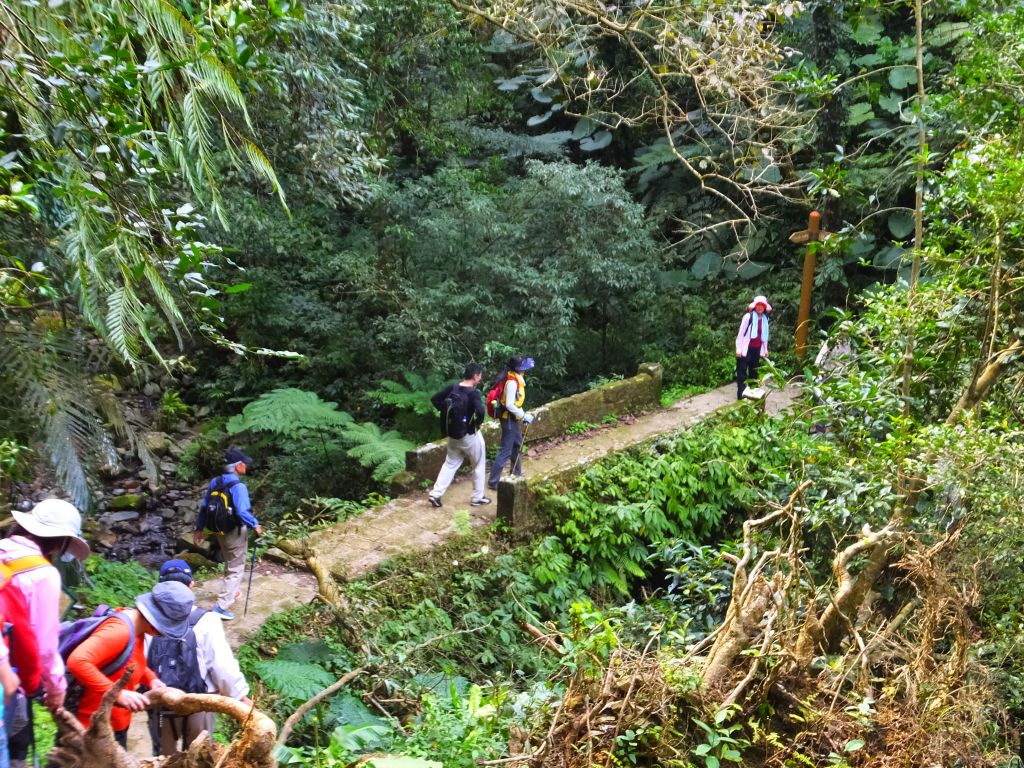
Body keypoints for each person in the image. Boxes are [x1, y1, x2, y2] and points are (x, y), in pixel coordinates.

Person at [0, 499, 90, 768]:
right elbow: (44, 646)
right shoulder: (44, 574)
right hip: (10, 676)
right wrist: (55, 688)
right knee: (13, 748)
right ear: (59, 541)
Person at [65, 581, 194, 748]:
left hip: (114, 724)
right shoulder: (120, 631)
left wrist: (151, 679)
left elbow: (128, 662)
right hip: (90, 730)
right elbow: (78, 661)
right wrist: (117, 694)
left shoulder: (137, 628)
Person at [147, 560, 252, 756]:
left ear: (160, 585)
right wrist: (239, 696)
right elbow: (222, 665)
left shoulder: (148, 619)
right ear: (191, 585)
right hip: (199, 703)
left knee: (162, 759)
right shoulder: (207, 620)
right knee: (199, 758)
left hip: (160, 702)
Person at [193, 448, 261, 620]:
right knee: (236, 568)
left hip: (219, 530)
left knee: (231, 562)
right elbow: (242, 511)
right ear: (237, 467)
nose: (245, 465)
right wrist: (256, 525)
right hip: (234, 531)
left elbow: (204, 507)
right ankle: (221, 607)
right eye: (243, 463)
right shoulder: (238, 487)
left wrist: (199, 529)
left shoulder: (215, 482)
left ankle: (233, 591)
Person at [428, 363, 489, 509]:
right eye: (480, 375)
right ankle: (477, 497)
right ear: (475, 376)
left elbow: (435, 399)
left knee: (450, 464)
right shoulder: (473, 393)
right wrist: (476, 424)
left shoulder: (453, 388)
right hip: (469, 435)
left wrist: (448, 415)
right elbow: (480, 411)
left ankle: (435, 494)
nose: (480, 378)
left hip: (453, 435)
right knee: (479, 464)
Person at [487, 356, 536, 490]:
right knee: (506, 450)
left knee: (517, 445)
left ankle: (516, 474)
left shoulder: (514, 378)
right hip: (508, 418)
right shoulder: (512, 382)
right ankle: (493, 482)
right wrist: (524, 415)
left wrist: (522, 416)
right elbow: (509, 404)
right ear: (518, 369)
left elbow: (516, 402)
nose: (525, 371)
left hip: (512, 418)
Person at [735, 295, 772, 400]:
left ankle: (752, 394)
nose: (760, 307)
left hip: (757, 349)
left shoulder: (765, 319)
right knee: (742, 373)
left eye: (762, 305)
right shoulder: (748, 317)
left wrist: (765, 349)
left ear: (765, 307)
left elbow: (764, 335)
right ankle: (741, 396)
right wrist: (738, 349)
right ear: (755, 306)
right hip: (745, 349)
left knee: (754, 372)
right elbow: (741, 333)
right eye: (758, 305)